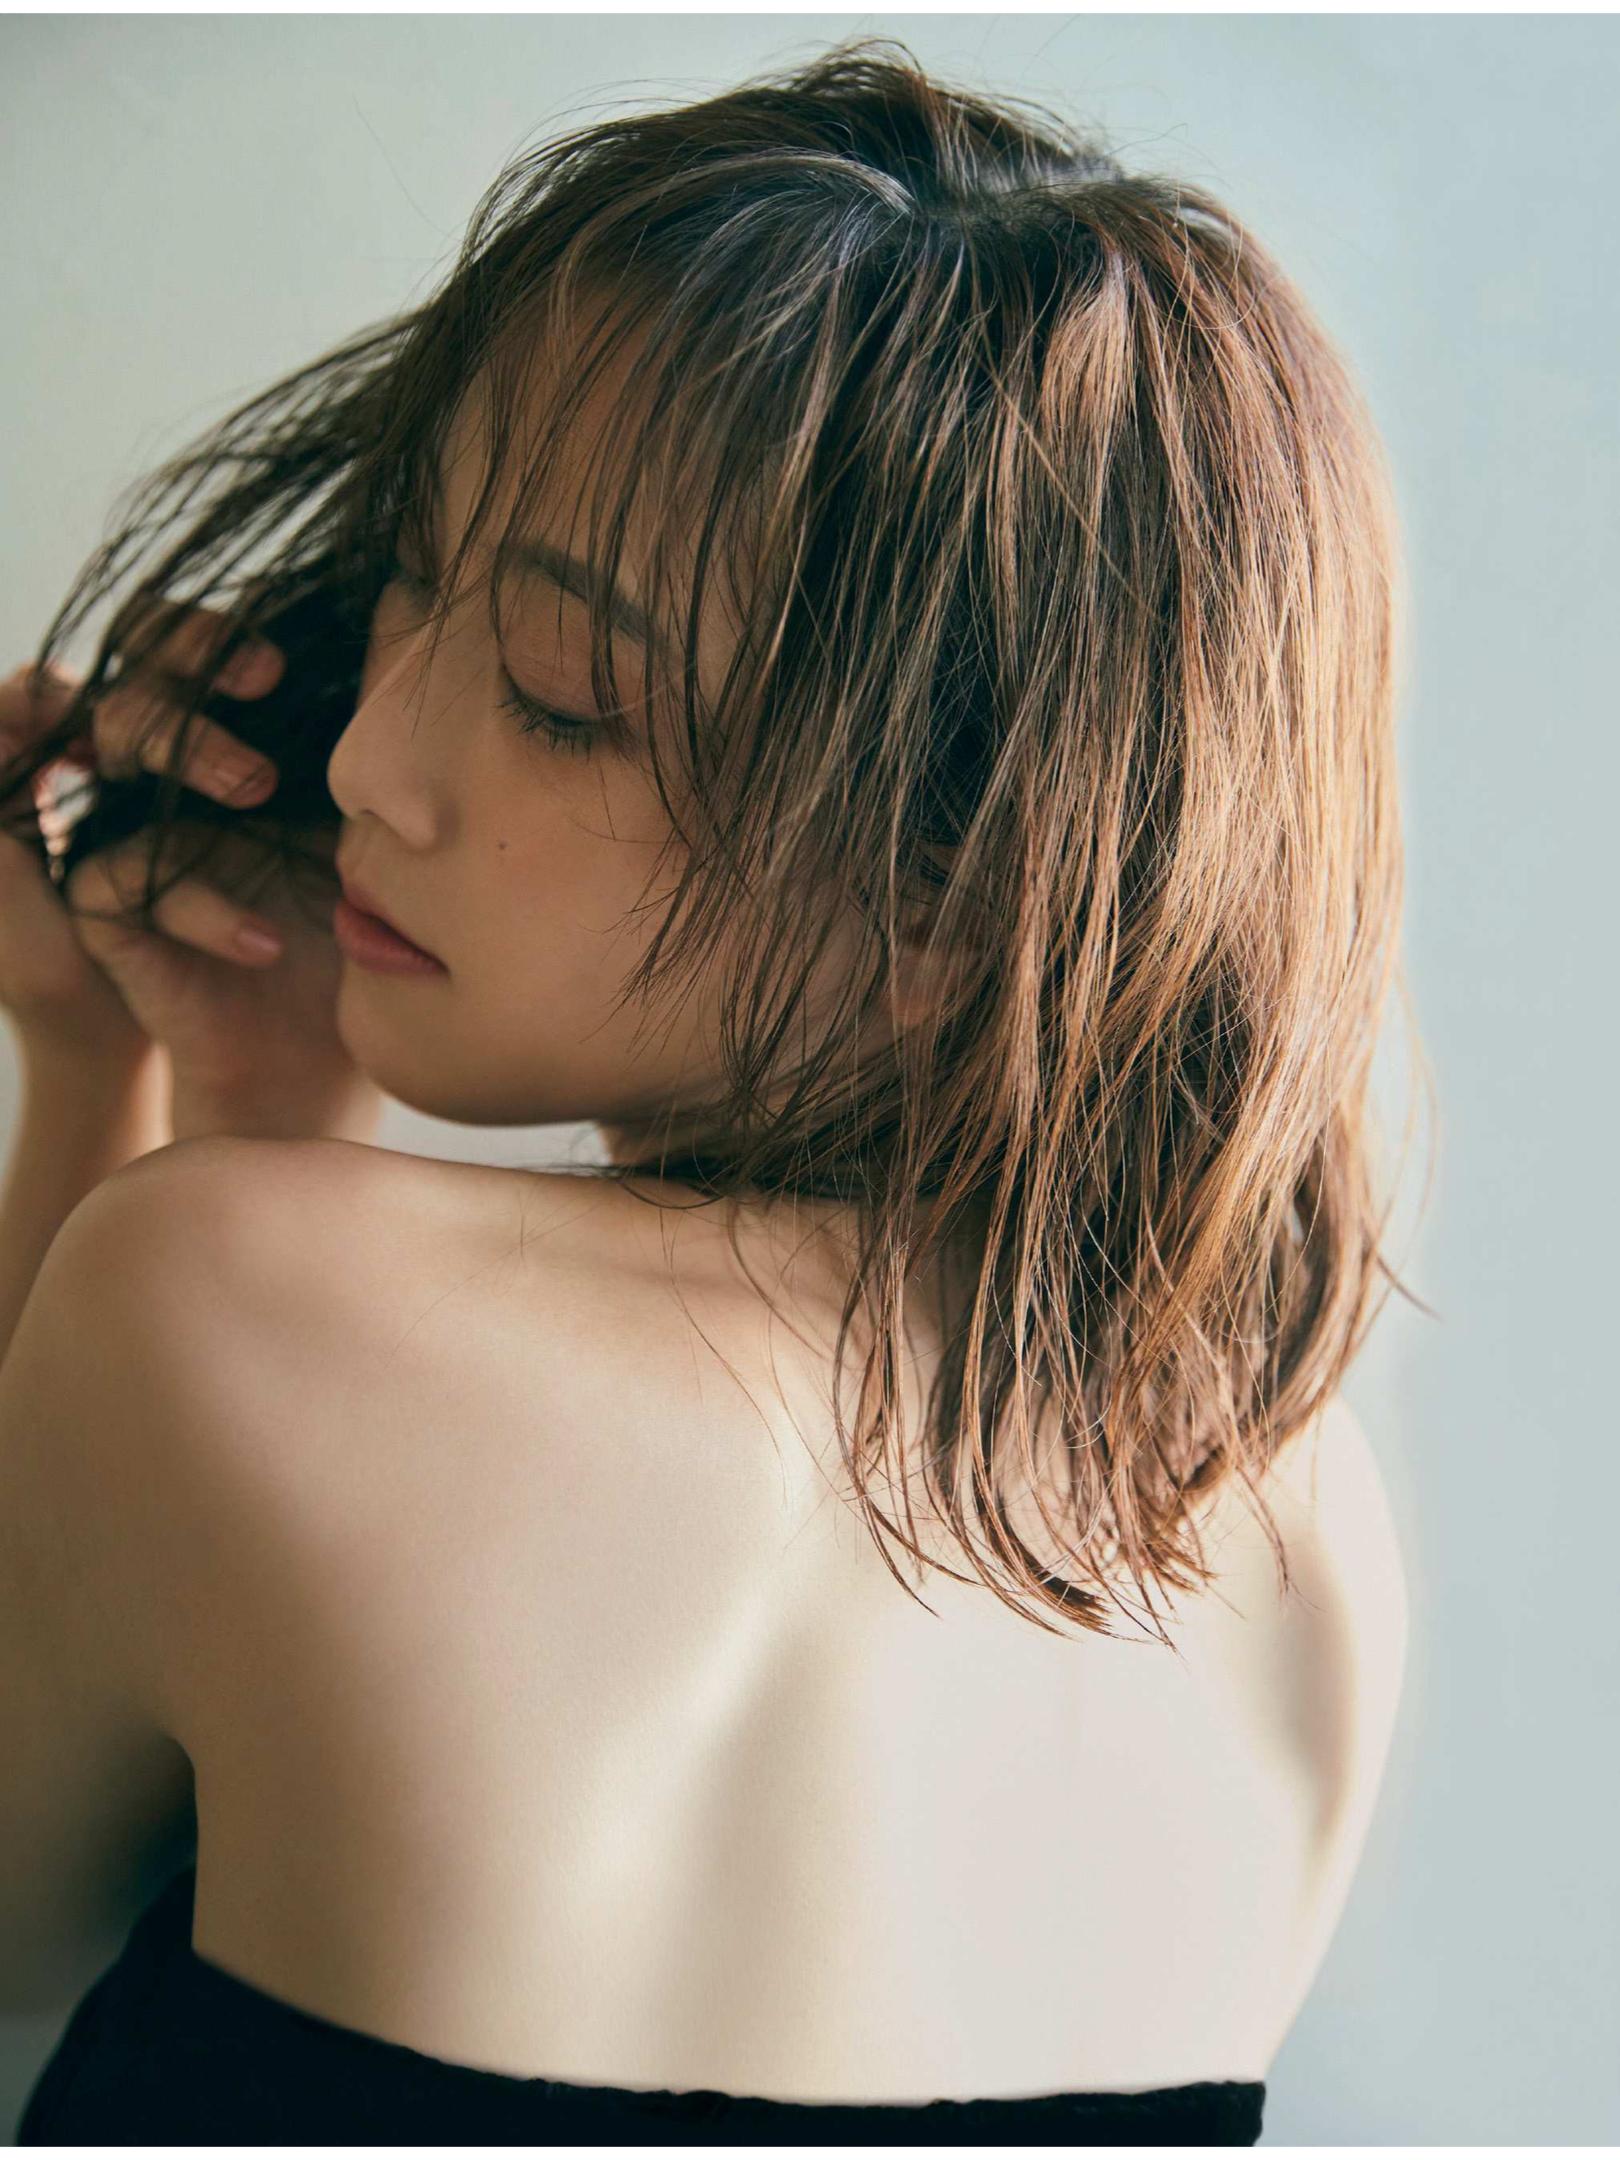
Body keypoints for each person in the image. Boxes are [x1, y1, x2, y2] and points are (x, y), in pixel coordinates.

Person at [0, 38, 1415, 2145]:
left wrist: (92, 1073)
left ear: (966, 887)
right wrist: (250, 1087)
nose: (374, 756)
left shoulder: (223, 1292)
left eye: (565, 701)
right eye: (412, 573)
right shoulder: (1293, 1537)